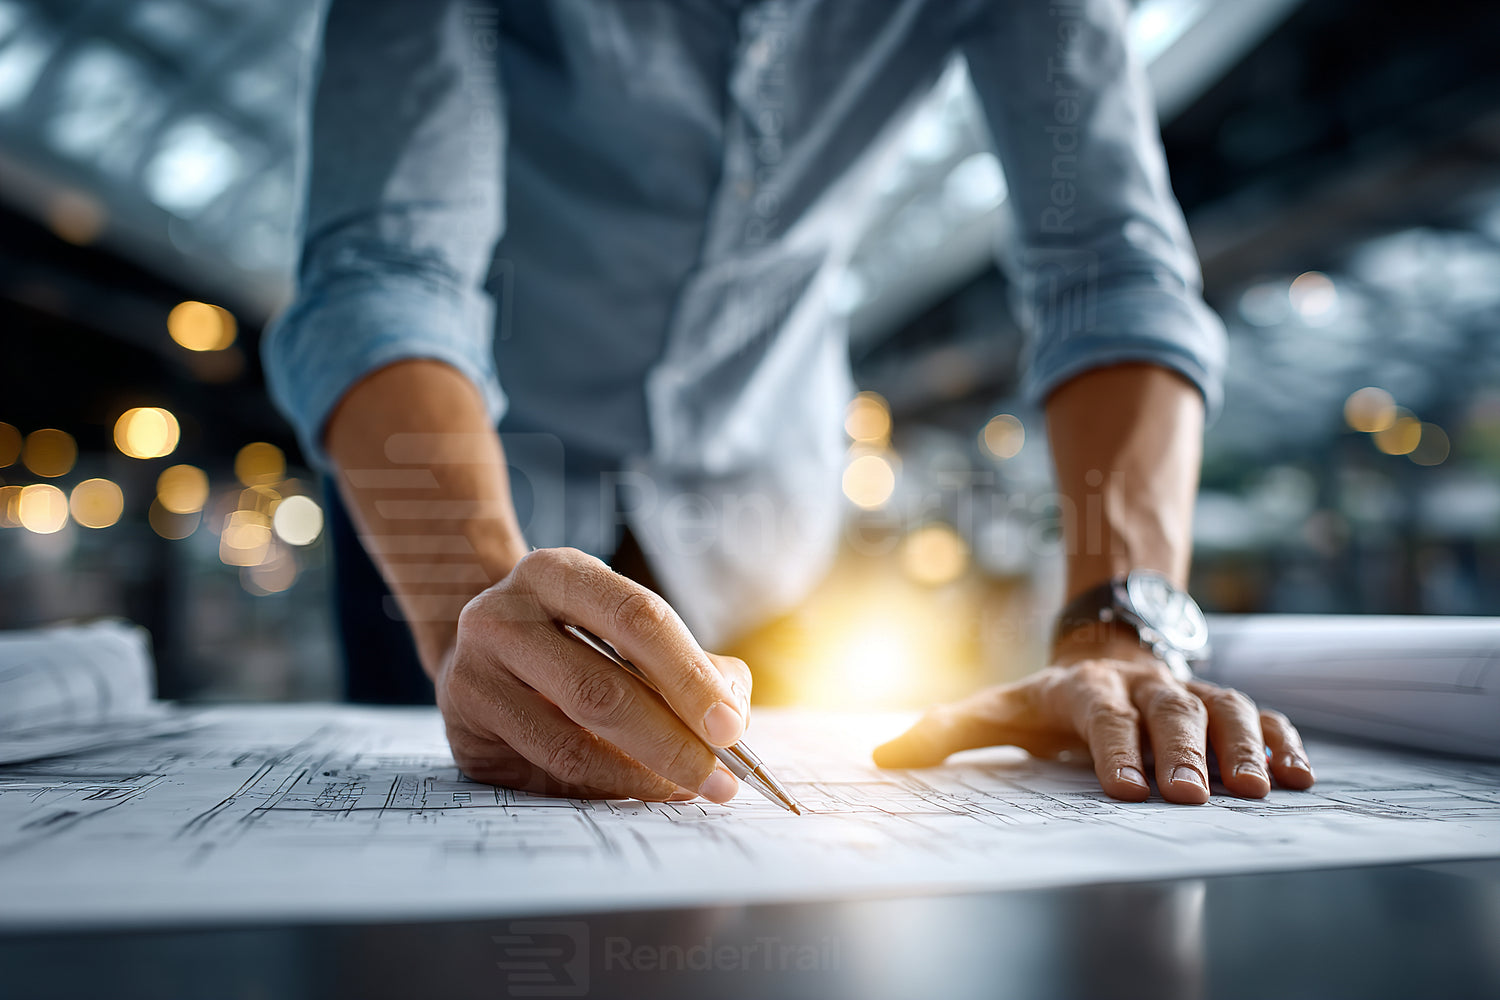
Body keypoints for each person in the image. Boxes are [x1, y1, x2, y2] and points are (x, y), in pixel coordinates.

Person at [264, 0, 1315, 808]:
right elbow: (384, 272)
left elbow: (1107, 265)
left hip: (770, 525)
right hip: (451, 498)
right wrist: (463, 605)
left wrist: (1121, 623)